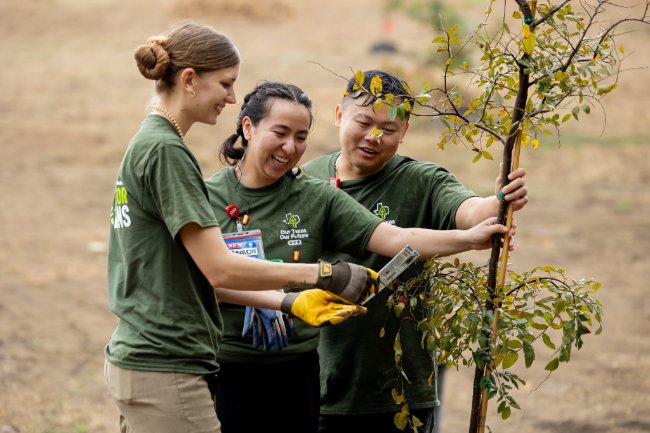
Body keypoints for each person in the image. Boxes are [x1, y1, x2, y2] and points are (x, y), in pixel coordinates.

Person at [103, 22, 379, 433]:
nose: (232, 98)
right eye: (226, 84)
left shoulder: (149, 141)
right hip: (165, 362)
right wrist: (323, 274)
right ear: (190, 80)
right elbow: (220, 268)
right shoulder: (166, 151)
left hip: (147, 357)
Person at [203, 80, 514, 433]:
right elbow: (203, 277)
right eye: (364, 123)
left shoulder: (319, 194)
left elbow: (403, 235)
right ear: (248, 126)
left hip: (333, 380)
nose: (290, 147)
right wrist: (297, 294)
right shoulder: (215, 193)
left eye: (301, 136)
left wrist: (480, 224)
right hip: (240, 373)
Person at [301, 69, 529, 433]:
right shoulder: (305, 180)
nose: (373, 137)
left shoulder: (422, 181)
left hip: (402, 391)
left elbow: (469, 212)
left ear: (404, 132)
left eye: (388, 129)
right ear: (340, 115)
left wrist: (498, 200)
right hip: (316, 383)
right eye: (363, 122)